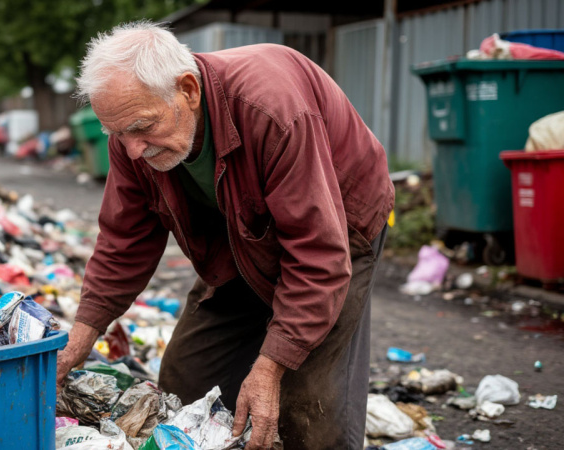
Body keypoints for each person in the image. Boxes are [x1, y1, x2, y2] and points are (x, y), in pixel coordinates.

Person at [58, 21, 395, 450]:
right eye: (117, 134)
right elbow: (124, 238)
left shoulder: (271, 109)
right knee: (187, 381)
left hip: (337, 225)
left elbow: (317, 255)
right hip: (240, 229)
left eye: (142, 127)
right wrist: (80, 340)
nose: (133, 150)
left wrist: (271, 367)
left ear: (188, 90)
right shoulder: (132, 132)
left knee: (307, 411)